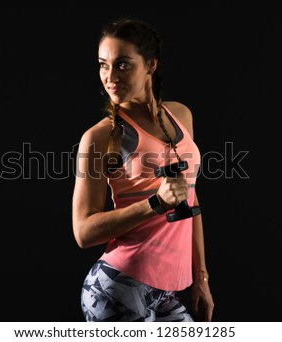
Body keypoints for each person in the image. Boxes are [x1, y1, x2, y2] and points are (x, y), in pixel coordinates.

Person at [72, 17, 214, 322]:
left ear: (151, 65)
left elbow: (190, 197)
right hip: (118, 290)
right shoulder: (101, 137)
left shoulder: (180, 115)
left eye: (122, 65)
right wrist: (154, 204)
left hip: (166, 292)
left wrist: (201, 279)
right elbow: (83, 232)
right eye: (103, 65)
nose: (110, 77)